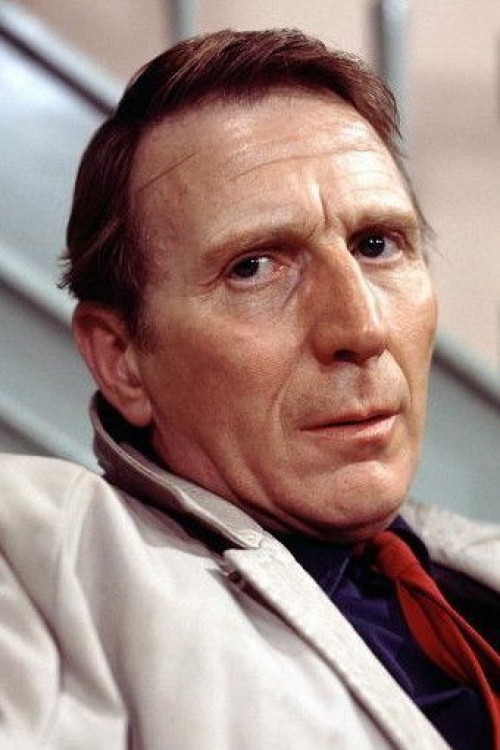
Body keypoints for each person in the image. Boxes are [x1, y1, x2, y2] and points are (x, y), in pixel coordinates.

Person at [1, 28, 499, 750]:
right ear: (121, 359)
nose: (361, 327)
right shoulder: (49, 562)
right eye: (254, 267)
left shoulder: (467, 567)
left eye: (376, 245)